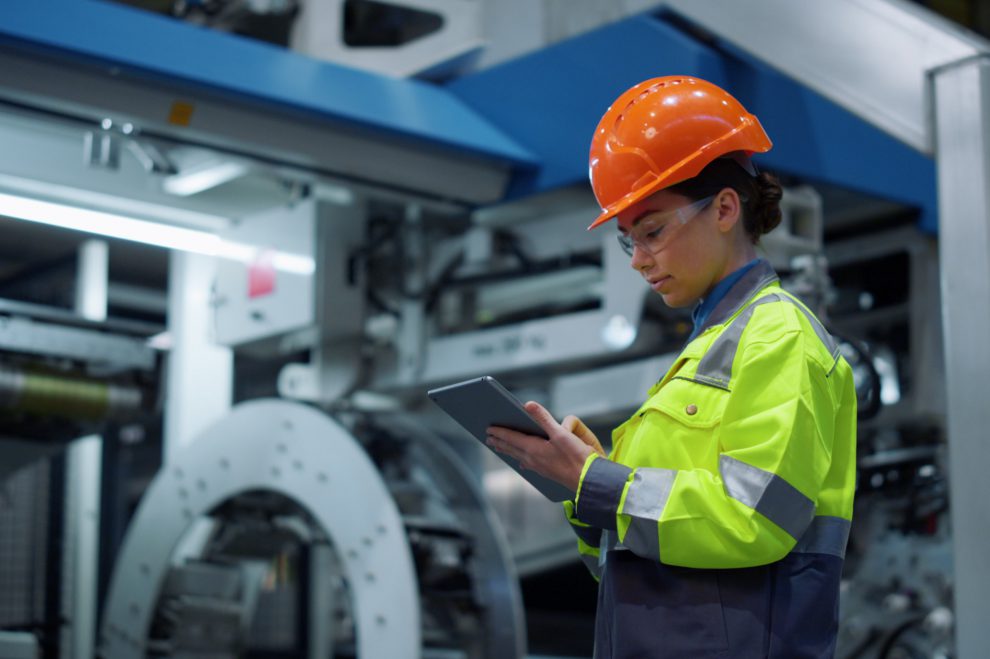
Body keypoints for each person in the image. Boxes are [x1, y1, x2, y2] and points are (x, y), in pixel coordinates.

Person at [486, 76, 857, 658]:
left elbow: (752, 519)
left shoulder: (776, 336)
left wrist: (598, 482)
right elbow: (632, 560)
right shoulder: (710, 350)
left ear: (726, 209)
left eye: (653, 230)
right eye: (627, 240)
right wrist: (582, 486)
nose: (638, 260)